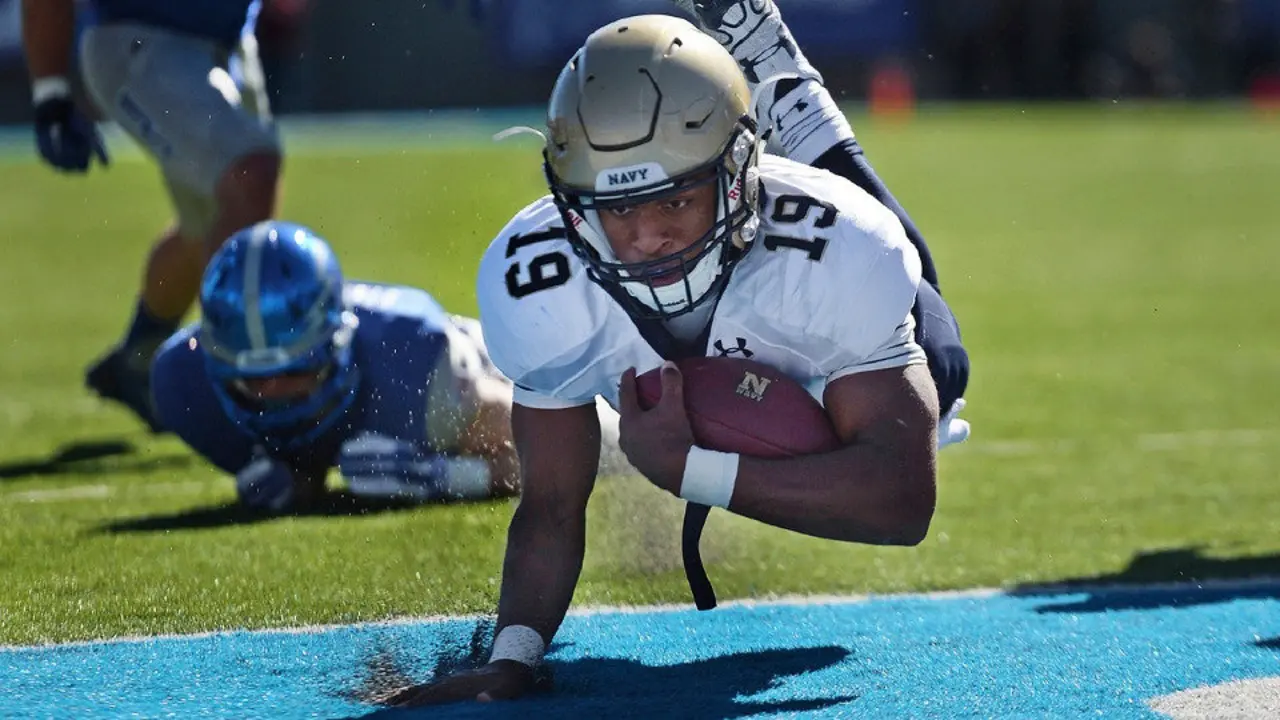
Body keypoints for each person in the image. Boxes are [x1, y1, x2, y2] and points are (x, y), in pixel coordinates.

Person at [383, 1, 971, 705]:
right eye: (618, 208)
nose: (645, 238)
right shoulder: (538, 286)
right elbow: (550, 501)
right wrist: (514, 654)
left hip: (811, 290)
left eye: (674, 201)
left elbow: (902, 502)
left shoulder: (841, 250)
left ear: (739, 173)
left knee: (941, 366)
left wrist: (691, 470)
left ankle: (792, 97)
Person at [151, 220, 618, 512]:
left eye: (294, 371)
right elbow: (309, 476)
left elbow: (560, 450)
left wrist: (443, 476)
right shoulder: (182, 382)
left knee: (624, 445)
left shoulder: (416, 368)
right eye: (251, 380)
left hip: (498, 364)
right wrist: (294, 478)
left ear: (336, 344)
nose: (272, 392)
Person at [21, 0, 282, 431]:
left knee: (211, 226)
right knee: (249, 177)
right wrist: (51, 94)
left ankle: (140, 356)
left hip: (229, 44)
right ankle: (242, 393)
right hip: (141, 39)